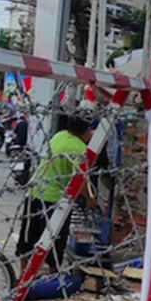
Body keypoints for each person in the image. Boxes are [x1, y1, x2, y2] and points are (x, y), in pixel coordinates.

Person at [16, 112, 94, 273]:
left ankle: (23, 276)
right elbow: (79, 180)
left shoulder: (59, 136)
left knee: (28, 238)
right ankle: (53, 276)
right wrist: (90, 200)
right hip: (56, 201)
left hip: (35, 193)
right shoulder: (81, 149)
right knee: (55, 244)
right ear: (86, 131)